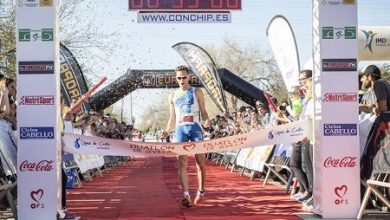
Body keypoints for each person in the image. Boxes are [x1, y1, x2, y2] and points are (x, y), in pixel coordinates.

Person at [162, 65, 210, 208]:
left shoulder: (197, 92)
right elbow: (172, 117)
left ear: (188, 77)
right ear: (175, 78)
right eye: (179, 78)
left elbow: (204, 111)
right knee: (182, 162)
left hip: (195, 128)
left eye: (184, 77)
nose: (182, 80)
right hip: (180, 130)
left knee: (200, 162)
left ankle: (201, 191)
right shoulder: (172, 96)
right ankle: (186, 195)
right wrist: (167, 130)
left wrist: (206, 120)